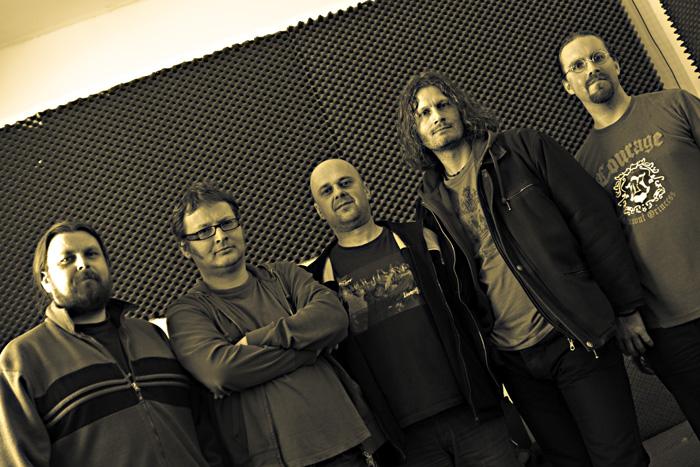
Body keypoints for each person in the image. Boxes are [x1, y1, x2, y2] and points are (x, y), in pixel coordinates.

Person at [396, 70, 649, 467]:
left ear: (460, 108)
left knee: (619, 458)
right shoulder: (430, 207)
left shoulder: (522, 150)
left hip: (572, 335)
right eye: (423, 113)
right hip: (516, 363)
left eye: (442, 105)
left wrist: (627, 307)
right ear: (416, 133)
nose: (437, 116)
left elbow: (593, 221)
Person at [304, 158, 523, 466]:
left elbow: (472, 307)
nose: (338, 193)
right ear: (318, 210)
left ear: (366, 189)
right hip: (405, 442)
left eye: (345, 183)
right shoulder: (318, 282)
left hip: (473, 414)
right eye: (326, 191)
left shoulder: (424, 239)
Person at [166, 181, 377, 467]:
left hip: (345, 444)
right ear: (185, 248)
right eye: (204, 231)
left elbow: (334, 317)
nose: (220, 236)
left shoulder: (284, 275)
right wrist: (310, 350)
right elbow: (221, 372)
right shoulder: (187, 312)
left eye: (227, 223)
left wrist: (256, 340)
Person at [559, 31, 700, 436]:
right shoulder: (582, 166)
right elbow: (598, 250)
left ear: (616, 64)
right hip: (668, 326)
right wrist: (625, 313)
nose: (591, 69)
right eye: (577, 66)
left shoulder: (674, 104)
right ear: (568, 86)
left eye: (597, 57)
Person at [0, 221, 213, 467]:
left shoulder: (153, 336)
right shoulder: (21, 359)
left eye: (91, 254)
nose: (83, 263)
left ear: (108, 266)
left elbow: (206, 428)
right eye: (67, 259)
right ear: (46, 280)